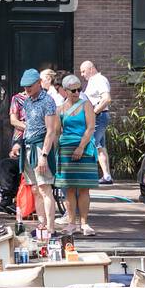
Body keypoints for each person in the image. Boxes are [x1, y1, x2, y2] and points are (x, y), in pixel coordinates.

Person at [18, 68, 61, 234]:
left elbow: (51, 131)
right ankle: (41, 225)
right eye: (24, 86)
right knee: (35, 189)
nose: (27, 89)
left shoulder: (48, 101)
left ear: (39, 83)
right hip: (28, 146)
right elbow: (28, 125)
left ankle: (50, 228)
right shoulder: (27, 101)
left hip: (40, 147)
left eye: (30, 85)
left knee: (45, 188)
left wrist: (44, 155)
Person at [56, 73, 98, 236]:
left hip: (84, 147)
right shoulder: (59, 109)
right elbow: (58, 132)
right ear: (65, 91)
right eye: (73, 90)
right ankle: (72, 223)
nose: (76, 92)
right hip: (65, 149)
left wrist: (81, 147)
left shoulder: (86, 105)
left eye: (79, 89)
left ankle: (85, 223)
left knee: (84, 188)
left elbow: (90, 128)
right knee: (69, 189)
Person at [79, 60, 114, 185]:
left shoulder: (99, 79)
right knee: (100, 146)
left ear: (91, 68)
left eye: (83, 71)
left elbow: (107, 99)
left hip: (98, 116)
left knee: (89, 143)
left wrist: (93, 113)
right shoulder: (92, 81)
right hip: (99, 116)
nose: (82, 74)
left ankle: (87, 175)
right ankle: (107, 176)